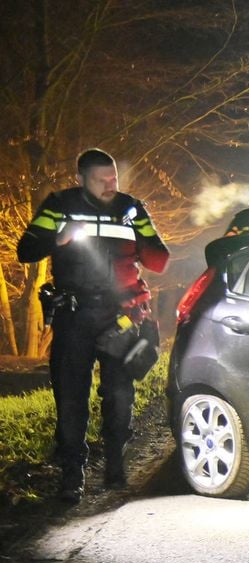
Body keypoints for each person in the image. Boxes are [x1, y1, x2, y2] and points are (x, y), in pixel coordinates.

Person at [17, 148, 170, 502]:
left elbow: (159, 260)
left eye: (113, 178)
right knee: (71, 398)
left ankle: (115, 465)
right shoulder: (59, 205)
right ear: (81, 179)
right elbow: (26, 249)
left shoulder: (131, 208)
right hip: (74, 315)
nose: (110, 185)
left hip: (121, 317)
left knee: (119, 395)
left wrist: (141, 229)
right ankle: (72, 474)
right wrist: (60, 237)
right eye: (102, 180)